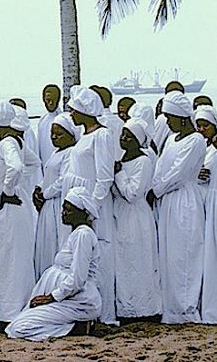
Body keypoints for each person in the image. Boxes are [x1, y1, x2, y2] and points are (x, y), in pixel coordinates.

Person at [6, 187, 101, 341]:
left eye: (69, 210)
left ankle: (79, 327)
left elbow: (78, 278)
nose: (63, 213)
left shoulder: (83, 235)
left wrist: (52, 296)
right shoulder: (76, 234)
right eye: (63, 208)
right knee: (16, 326)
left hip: (78, 302)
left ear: (82, 212)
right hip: (67, 300)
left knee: (20, 328)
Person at [62, 86, 117, 325]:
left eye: (74, 110)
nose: (71, 114)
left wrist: (91, 207)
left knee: (97, 256)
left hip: (92, 205)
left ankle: (101, 312)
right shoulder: (84, 135)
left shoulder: (101, 135)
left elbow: (104, 177)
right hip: (78, 202)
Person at [0, 100, 35, 325]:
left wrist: (7, 190)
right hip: (3, 209)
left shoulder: (7, 143)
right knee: (6, 257)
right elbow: (34, 163)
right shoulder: (14, 141)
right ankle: (7, 310)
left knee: (6, 258)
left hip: (4, 209)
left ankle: (8, 312)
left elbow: (18, 166)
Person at [153, 91, 206, 324]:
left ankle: (186, 309)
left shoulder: (195, 140)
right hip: (167, 201)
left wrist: (157, 189)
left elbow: (179, 173)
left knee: (184, 253)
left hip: (184, 201)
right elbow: (161, 166)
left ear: (182, 118)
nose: (167, 122)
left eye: (170, 118)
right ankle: (171, 307)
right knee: (168, 253)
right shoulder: (171, 139)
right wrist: (156, 187)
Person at [113, 119, 162, 319]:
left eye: (129, 136)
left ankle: (144, 310)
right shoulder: (121, 160)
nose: (123, 139)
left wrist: (119, 174)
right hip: (120, 215)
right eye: (123, 134)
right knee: (123, 262)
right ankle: (125, 308)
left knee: (138, 261)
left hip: (136, 218)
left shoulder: (143, 161)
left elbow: (133, 193)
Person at [33, 113, 77, 278]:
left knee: (54, 241)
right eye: (52, 134)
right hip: (48, 203)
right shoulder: (56, 153)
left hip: (57, 203)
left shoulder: (70, 153)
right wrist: (39, 188)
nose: (54, 137)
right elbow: (48, 176)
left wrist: (45, 193)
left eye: (59, 134)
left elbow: (63, 180)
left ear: (70, 135)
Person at [196, 105, 217, 323]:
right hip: (208, 203)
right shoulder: (202, 147)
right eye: (199, 125)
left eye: (206, 125)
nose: (202, 129)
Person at [37, 85, 61, 168]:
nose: (50, 103)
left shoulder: (64, 120)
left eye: (53, 100)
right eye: (48, 100)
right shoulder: (42, 120)